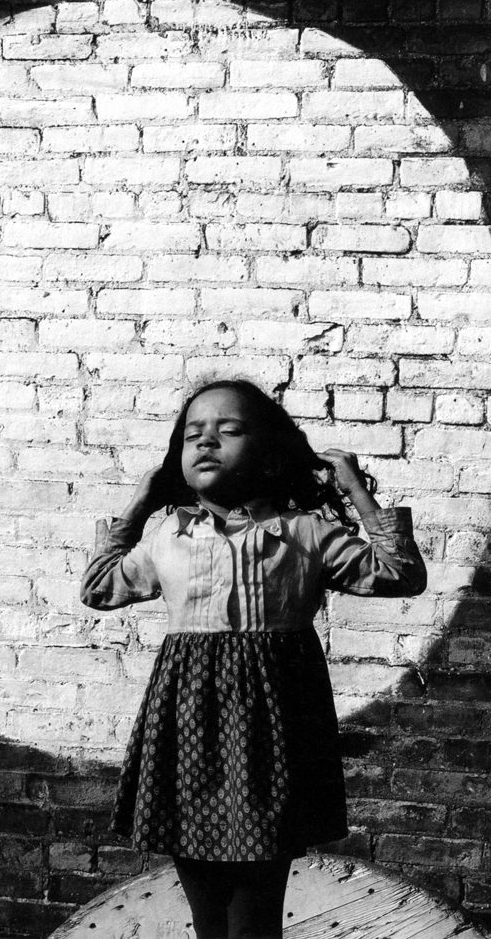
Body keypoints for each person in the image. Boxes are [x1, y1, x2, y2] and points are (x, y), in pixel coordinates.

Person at [80, 378, 427, 939]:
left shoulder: (307, 532)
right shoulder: (170, 534)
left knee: (256, 903)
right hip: (185, 722)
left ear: (268, 451)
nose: (207, 441)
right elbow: (99, 589)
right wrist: (139, 503)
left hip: (274, 726)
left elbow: (400, 575)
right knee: (202, 893)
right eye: (193, 434)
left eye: (229, 430)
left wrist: (357, 491)